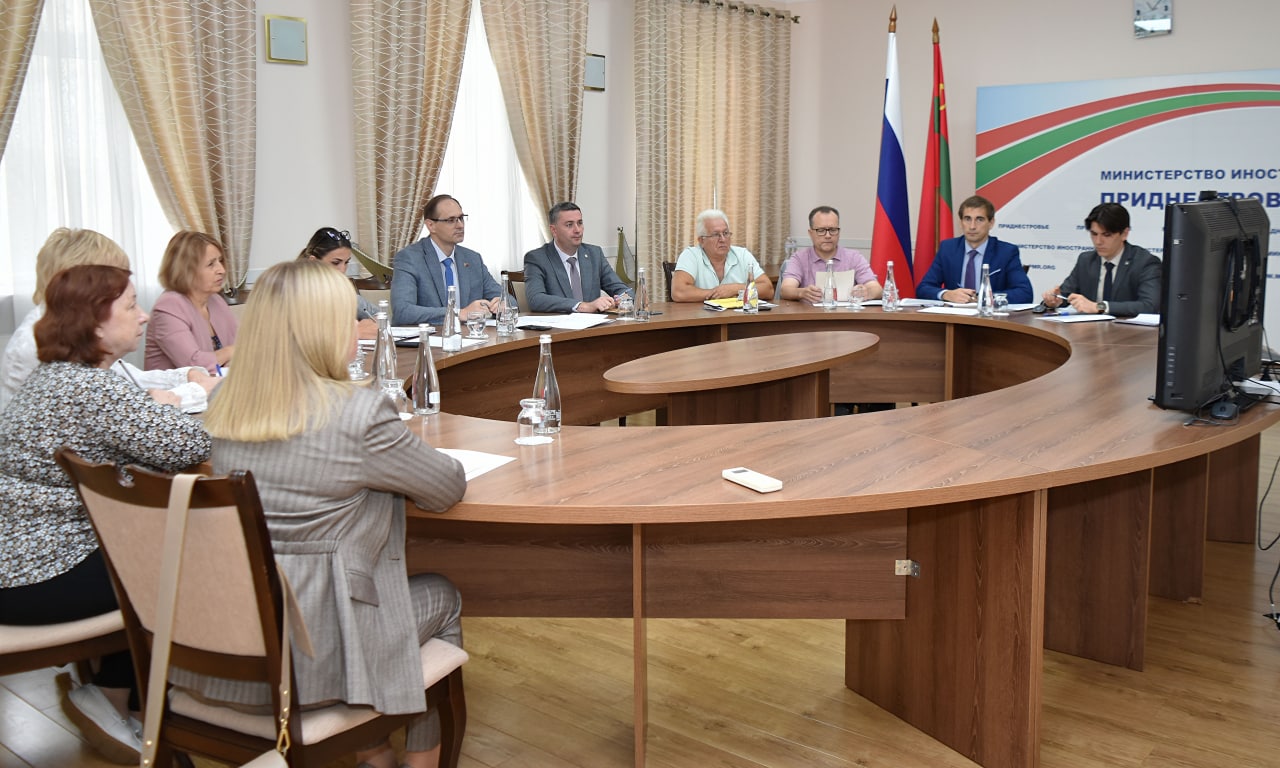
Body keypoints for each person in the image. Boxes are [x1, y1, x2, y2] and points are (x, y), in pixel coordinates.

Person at [188, 260, 467, 768]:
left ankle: (373, 753)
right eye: (347, 320)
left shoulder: (227, 399)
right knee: (443, 595)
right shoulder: (357, 413)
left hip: (232, 638)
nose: (356, 331)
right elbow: (445, 488)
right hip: (321, 655)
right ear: (323, 329)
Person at [0, 265, 211, 762]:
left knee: (148, 548)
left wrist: (150, 405)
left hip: (18, 566)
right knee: (189, 561)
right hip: (36, 577)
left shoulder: (52, 378)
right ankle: (137, 702)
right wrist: (164, 404)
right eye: (132, 306)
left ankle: (131, 702)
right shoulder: (94, 390)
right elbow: (191, 444)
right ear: (95, 323)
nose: (144, 316)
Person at [0, 228, 217, 412]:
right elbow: (117, 411)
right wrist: (196, 392)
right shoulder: (39, 344)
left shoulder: (68, 324)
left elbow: (124, 378)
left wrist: (185, 376)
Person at [391, 194, 503, 325]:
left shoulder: (472, 259)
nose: (460, 225)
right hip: (429, 336)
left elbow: (507, 298)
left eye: (461, 218)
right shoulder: (410, 258)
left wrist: (502, 304)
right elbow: (403, 311)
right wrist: (459, 313)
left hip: (470, 335)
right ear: (431, 225)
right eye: (451, 220)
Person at [1042, 202, 1162, 317]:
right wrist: (1053, 301)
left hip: (1128, 330)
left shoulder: (1145, 262)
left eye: (1107, 235)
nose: (1098, 242)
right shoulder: (1086, 260)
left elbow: (1149, 306)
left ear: (1124, 234)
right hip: (1090, 329)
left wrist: (1099, 307)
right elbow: (1065, 295)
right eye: (1094, 234)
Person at [144, 231, 237, 374]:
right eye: (211, 264)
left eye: (220, 261)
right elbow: (193, 364)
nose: (222, 270)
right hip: (177, 388)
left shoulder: (216, 300)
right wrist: (231, 352)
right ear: (187, 270)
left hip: (215, 383)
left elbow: (239, 346)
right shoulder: (168, 307)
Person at [915, 195, 1033, 304]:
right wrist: (946, 294)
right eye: (967, 219)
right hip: (955, 316)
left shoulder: (1006, 252)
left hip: (989, 317)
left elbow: (1025, 293)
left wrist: (984, 298)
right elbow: (923, 288)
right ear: (961, 222)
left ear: (991, 223)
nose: (972, 226)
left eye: (979, 219)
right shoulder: (948, 249)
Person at [524, 202, 633, 313]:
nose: (577, 230)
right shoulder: (537, 258)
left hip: (595, 323)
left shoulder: (594, 254)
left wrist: (622, 299)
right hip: (558, 323)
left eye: (580, 223)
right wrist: (583, 306)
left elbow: (624, 290)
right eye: (569, 225)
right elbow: (536, 299)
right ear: (554, 230)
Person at [778, 206, 883, 303]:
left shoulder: (854, 258)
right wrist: (802, 293)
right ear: (810, 233)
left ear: (839, 232)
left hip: (845, 315)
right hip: (809, 315)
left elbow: (877, 289)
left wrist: (867, 292)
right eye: (821, 230)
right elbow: (785, 290)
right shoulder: (799, 258)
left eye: (833, 230)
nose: (828, 235)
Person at [671, 209, 775, 302]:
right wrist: (718, 293)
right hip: (701, 316)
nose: (723, 239)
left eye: (725, 233)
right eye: (716, 234)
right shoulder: (691, 255)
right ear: (701, 240)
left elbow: (768, 289)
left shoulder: (742, 255)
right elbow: (678, 292)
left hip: (737, 316)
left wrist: (735, 289)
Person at [299, 226, 379, 339]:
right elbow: (303, 337)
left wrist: (372, 322)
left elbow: (379, 315)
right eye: (335, 263)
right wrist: (354, 332)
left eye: (346, 262)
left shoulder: (342, 292)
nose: (342, 270)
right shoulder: (295, 291)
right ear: (313, 261)